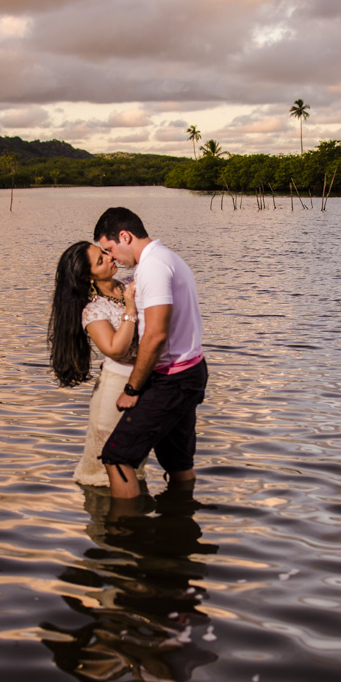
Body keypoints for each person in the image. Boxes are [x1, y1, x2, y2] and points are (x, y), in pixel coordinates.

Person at [93, 207, 208, 499]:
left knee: (117, 457)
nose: (113, 258)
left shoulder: (152, 266)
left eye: (110, 249)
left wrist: (132, 388)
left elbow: (156, 334)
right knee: (178, 463)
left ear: (125, 236)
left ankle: (127, 534)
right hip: (189, 371)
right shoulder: (166, 257)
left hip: (172, 379)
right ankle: (181, 524)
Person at [48, 240, 146, 486]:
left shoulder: (128, 283)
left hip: (143, 381)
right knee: (104, 468)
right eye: (100, 261)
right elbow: (116, 349)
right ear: (89, 278)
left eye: (103, 252)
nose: (109, 258)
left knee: (136, 462)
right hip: (116, 388)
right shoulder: (93, 310)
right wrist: (130, 308)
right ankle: (106, 519)